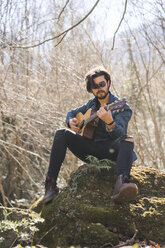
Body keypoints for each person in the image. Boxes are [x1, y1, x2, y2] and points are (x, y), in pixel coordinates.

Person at [43, 66, 138, 204]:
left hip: (110, 150)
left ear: (108, 83)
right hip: (89, 149)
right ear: (91, 89)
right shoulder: (91, 104)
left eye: (102, 84)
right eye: (95, 86)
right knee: (61, 133)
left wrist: (110, 121)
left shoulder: (122, 107)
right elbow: (71, 112)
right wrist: (70, 121)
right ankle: (50, 185)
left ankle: (121, 185)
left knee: (128, 139)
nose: (99, 88)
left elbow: (120, 133)